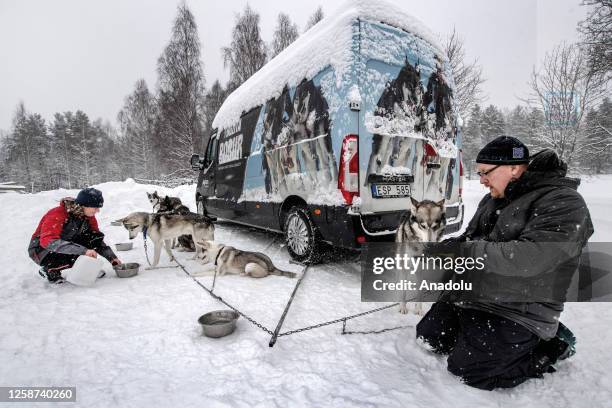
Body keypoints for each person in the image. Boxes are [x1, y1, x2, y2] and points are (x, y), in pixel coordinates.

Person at [416, 136, 593, 390]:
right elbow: (471, 238)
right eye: (479, 173)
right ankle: (490, 339)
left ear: (513, 168)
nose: (482, 180)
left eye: (486, 172)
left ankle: (550, 346)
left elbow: (529, 259)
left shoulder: (564, 202)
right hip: (478, 293)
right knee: (430, 338)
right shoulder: (493, 198)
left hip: (521, 307)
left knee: (468, 370)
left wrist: (465, 252)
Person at [28, 187, 122, 283]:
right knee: (83, 253)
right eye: (95, 207)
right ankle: (50, 270)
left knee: (89, 241)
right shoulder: (58, 213)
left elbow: (95, 240)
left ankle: (86, 268)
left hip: (66, 243)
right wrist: (83, 251)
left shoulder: (89, 217)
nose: (98, 211)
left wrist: (112, 258)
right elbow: (48, 242)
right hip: (42, 251)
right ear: (84, 205)